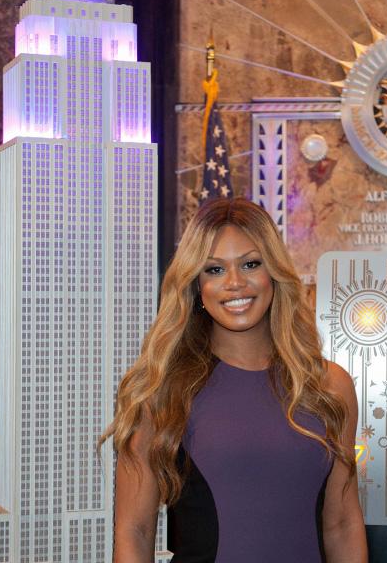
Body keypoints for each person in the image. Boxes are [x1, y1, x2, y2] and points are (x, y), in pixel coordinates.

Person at [100, 197, 367, 562]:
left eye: (250, 264)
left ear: (273, 273)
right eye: (214, 270)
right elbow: (135, 530)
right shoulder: (162, 389)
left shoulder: (330, 385)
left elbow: (343, 524)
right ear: (196, 286)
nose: (235, 283)